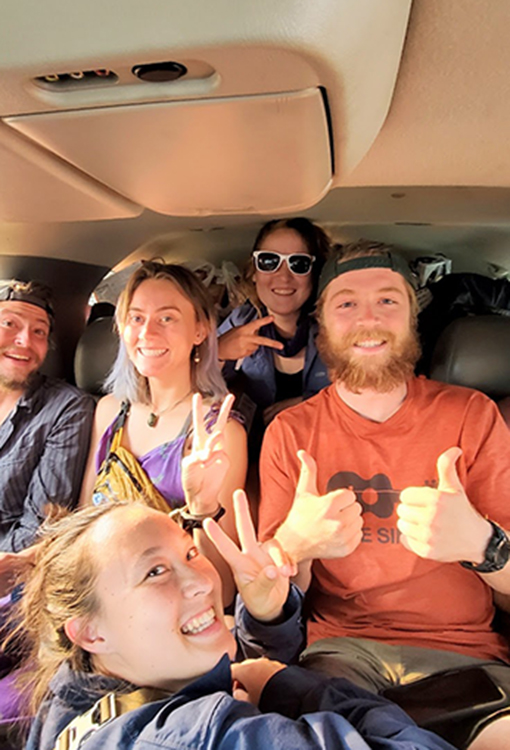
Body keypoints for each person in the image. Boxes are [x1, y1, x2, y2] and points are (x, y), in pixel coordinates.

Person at [258, 240, 510, 749]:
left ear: (412, 317)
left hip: (466, 656)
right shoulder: (290, 431)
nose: (367, 318)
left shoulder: (474, 416)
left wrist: (483, 545)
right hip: (340, 655)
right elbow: (266, 604)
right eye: (346, 302)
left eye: (388, 300)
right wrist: (295, 547)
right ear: (323, 323)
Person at [17, 497, 456, 750]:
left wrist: (267, 615)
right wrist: (283, 683)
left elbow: (218, 668)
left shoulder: (73, 691)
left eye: (190, 553)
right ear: (90, 632)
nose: (201, 581)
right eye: (155, 572)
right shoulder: (206, 736)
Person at [79, 260, 247, 604]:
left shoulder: (220, 433)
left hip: (175, 604)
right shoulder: (109, 411)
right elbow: (84, 523)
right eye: (136, 318)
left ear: (200, 331)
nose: (147, 333)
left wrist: (202, 507)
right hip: (101, 595)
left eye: (167, 318)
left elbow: (224, 589)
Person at [0, 279, 95, 596]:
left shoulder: (65, 409)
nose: (25, 340)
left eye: (39, 331)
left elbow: (40, 528)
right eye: (9, 324)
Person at [217, 218, 331, 428]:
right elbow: (194, 383)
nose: (283, 276)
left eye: (299, 264)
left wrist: (311, 405)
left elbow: (370, 391)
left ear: (315, 274)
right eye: (269, 261)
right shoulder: (242, 321)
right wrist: (219, 352)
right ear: (254, 272)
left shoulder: (338, 327)